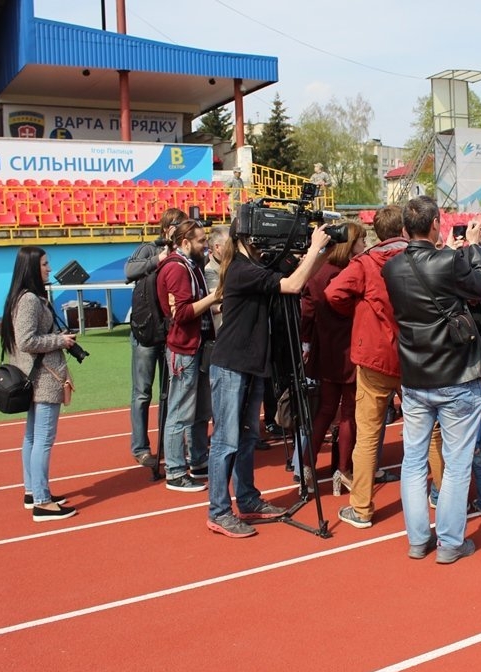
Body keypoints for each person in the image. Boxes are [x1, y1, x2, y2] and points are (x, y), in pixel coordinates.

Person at [206, 215, 331, 538]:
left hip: (250, 364)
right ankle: (219, 511)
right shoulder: (241, 269)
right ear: (248, 237)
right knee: (226, 441)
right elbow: (293, 285)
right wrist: (314, 248)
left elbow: (298, 276)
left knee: (247, 438)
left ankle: (247, 499)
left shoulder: (254, 266)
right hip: (232, 364)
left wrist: (325, 250)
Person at [382, 195, 481, 563]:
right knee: (456, 462)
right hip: (456, 375)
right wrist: (472, 247)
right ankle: (449, 543)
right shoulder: (449, 260)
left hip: (415, 376)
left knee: (413, 460)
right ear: (435, 225)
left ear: (404, 229)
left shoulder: (391, 268)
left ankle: (418, 539)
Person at [325, 206, 408, 529]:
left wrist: (358, 310)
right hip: (413, 355)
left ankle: (361, 507)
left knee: (369, 434)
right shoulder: (417, 256)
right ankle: (441, 493)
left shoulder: (366, 263)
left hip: (375, 355)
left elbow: (334, 293)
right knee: (429, 429)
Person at [0, 246, 77, 522]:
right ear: (32, 267)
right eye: (44, 264)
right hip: (43, 378)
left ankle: (34, 491)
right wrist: (60, 340)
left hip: (35, 376)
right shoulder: (30, 299)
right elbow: (26, 340)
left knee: (33, 437)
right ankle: (42, 501)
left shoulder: (21, 297)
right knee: (42, 439)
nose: (49, 269)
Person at [301, 220, 366, 495]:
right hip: (349, 349)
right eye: (361, 240)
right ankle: (342, 470)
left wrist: (307, 341)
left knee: (325, 411)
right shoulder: (352, 272)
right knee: (349, 414)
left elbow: (306, 311)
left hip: (326, 348)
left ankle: (307, 467)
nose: (364, 245)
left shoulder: (317, 272)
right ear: (350, 244)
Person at [156, 219, 218, 491]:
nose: (205, 245)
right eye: (201, 241)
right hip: (184, 347)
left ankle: (198, 459)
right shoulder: (177, 268)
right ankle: (175, 470)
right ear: (185, 242)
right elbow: (180, 313)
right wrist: (214, 298)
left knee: (201, 409)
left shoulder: (190, 266)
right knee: (180, 411)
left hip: (197, 345)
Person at [125, 207, 187, 467]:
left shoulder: (183, 253)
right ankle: (140, 447)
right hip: (146, 331)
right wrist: (159, 258)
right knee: (142, 393)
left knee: (169, 392)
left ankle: (167, 442)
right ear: (166, 228)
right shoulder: (149, 249)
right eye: (178, 227)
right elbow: (129, 271)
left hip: (169, 330)